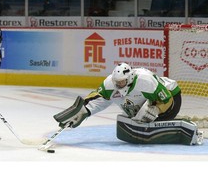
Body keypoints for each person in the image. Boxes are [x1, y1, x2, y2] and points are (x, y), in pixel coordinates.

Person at [54, 62, 203, 145]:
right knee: (136, 114)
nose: (118, 85)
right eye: (116, 81)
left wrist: (157, 110)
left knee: (146, 116)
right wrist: (84, 112)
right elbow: (100, 100)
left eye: (122, 82)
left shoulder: (145, 81)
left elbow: (167, 99)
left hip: (171, 98)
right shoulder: (110, 83)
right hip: (148, 101)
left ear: (130, 78)